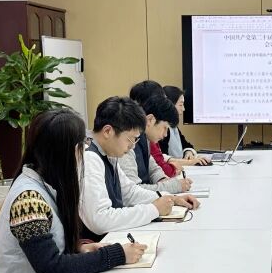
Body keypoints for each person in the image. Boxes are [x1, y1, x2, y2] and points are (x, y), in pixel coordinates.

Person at [0, 108, 149, 273]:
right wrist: (118, 255)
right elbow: (52, 268)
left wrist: (79, 248)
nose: (86, 148)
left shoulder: (47, 181)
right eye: (83, 143)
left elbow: (50, 245)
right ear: (67, 152)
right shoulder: (28, 201)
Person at [80, 97, 199, 237]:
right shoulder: (90, 158)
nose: (132, 147)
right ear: (107, 132)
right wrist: (154, 209)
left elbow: (129, 192)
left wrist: (170, 198)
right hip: (98, 241)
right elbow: (100, 220)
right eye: (130, 139)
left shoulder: (108, 154)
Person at [120, 92, 193, 194]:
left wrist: (163, 180)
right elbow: (132, 192)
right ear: (150, 120)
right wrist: (173, 186)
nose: (165, 135)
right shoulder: (128, 143)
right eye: (165, 128)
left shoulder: (145, 139)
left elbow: (153, 169)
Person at [159, 85, 212, 166]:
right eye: (180, 105)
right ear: (169, 105)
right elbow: (162, 159)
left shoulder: (173, 126)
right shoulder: (162, 128)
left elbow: (187, 145)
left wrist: (188, 152)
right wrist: (190, 162)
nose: (183, 109)